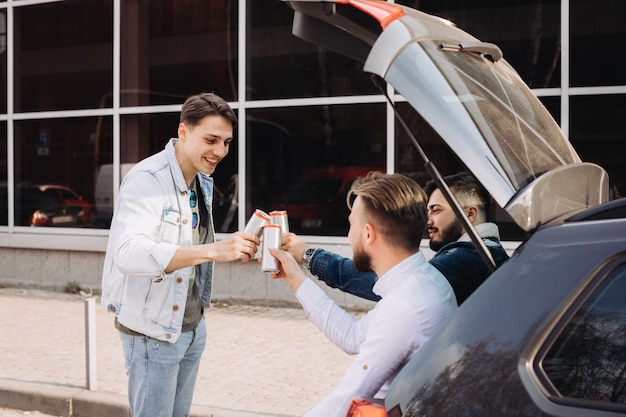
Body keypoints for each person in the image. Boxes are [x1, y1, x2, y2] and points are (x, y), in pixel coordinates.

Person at [100, 92, 260, 417]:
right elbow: (128, 253)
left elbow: (186, 241)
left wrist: (234, 245)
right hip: (152, 332)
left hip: (191, 327)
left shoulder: (201, 179)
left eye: (227, 142)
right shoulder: (147, 179)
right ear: (183, 132)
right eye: (211, 139)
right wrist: (214, 250)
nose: (220, 151)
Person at [269, 171, 457, 417]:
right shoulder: (425, 281)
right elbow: (353, 336)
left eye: (351, 225)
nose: (349, 236)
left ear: (368, 234)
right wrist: (295, 278)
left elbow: (344, 402)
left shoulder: (404, 307)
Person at [282, 171, 509, 305]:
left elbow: (383, 285)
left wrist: (309, 255)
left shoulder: (468, 258)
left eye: (437, 210)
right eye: (428, 211)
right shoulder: (486, 254)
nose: (428, 221)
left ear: (470, 213)